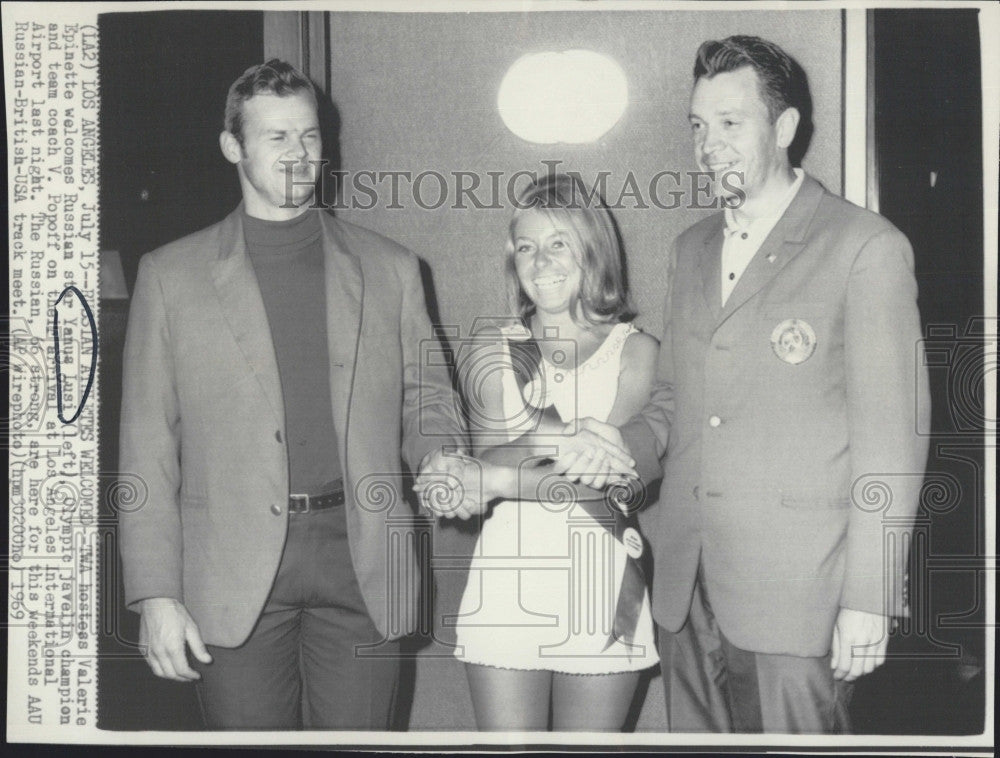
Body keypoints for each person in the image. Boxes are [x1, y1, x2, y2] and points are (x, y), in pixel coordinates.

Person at [572, 35, 930, 733]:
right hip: (686, 587)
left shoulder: (864, 247)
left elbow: (894, 442)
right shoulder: (691, 247)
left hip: (801, 599)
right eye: (698, 126)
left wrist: (872, 594)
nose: (709, 146)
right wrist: (616, 447)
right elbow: (673, 403)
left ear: (786, 128)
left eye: (731, 124)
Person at [118, 59, 467, 729]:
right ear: (233, 147)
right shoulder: (170, 277)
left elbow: (428, 398)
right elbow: (146, 452)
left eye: (308, 135)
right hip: (231, 572)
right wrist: (156, 595)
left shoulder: (391, 268)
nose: (299, 153)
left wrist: (442, 455)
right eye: (276, 137)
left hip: (362, 558)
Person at [419, 173, 660, 731]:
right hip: (509, 576)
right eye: (526, 247)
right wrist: (550, 441)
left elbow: (609, 479)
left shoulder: (638, 350)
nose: (541, 261)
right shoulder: (493, 345)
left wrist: (503, 471)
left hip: (601, 578)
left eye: (558, 243)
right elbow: (486, 463)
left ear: (592, 248)